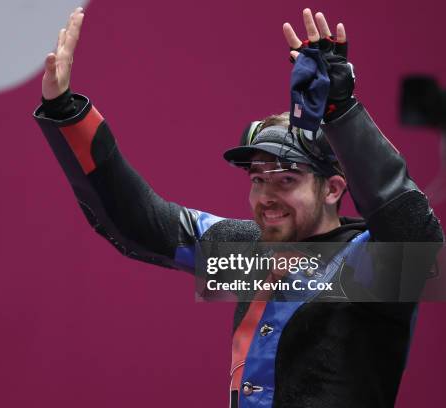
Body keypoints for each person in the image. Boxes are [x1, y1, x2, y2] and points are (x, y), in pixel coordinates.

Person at [34, 7, 443, 408]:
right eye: (257, 180)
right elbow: (140, 222)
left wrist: (340, 111)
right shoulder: (249, 255)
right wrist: (65, 112)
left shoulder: (369, 266)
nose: (266, 196)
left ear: (334, 188)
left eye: (285, 179)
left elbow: (417, 237)